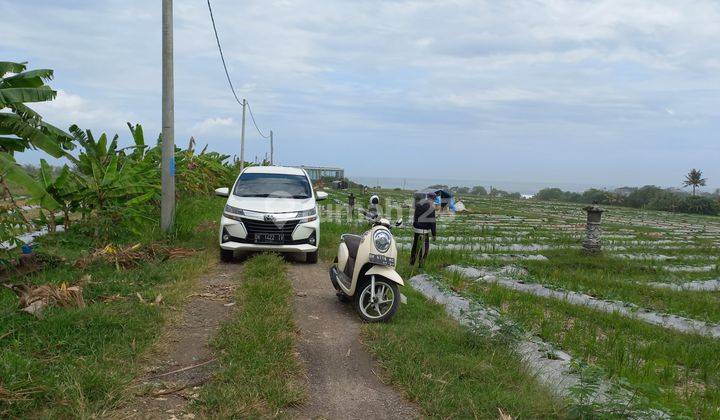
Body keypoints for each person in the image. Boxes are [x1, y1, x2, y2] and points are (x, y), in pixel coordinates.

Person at [410, 192, 436, 267]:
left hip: (416, 230)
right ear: (433, 199)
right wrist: (434, 234)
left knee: (415, 247)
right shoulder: (431, 207)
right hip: (424, 231)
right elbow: (432, 222)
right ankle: (421, 265)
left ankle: (411, 264)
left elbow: (415, 217)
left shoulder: (419, 204)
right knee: (424, 249)